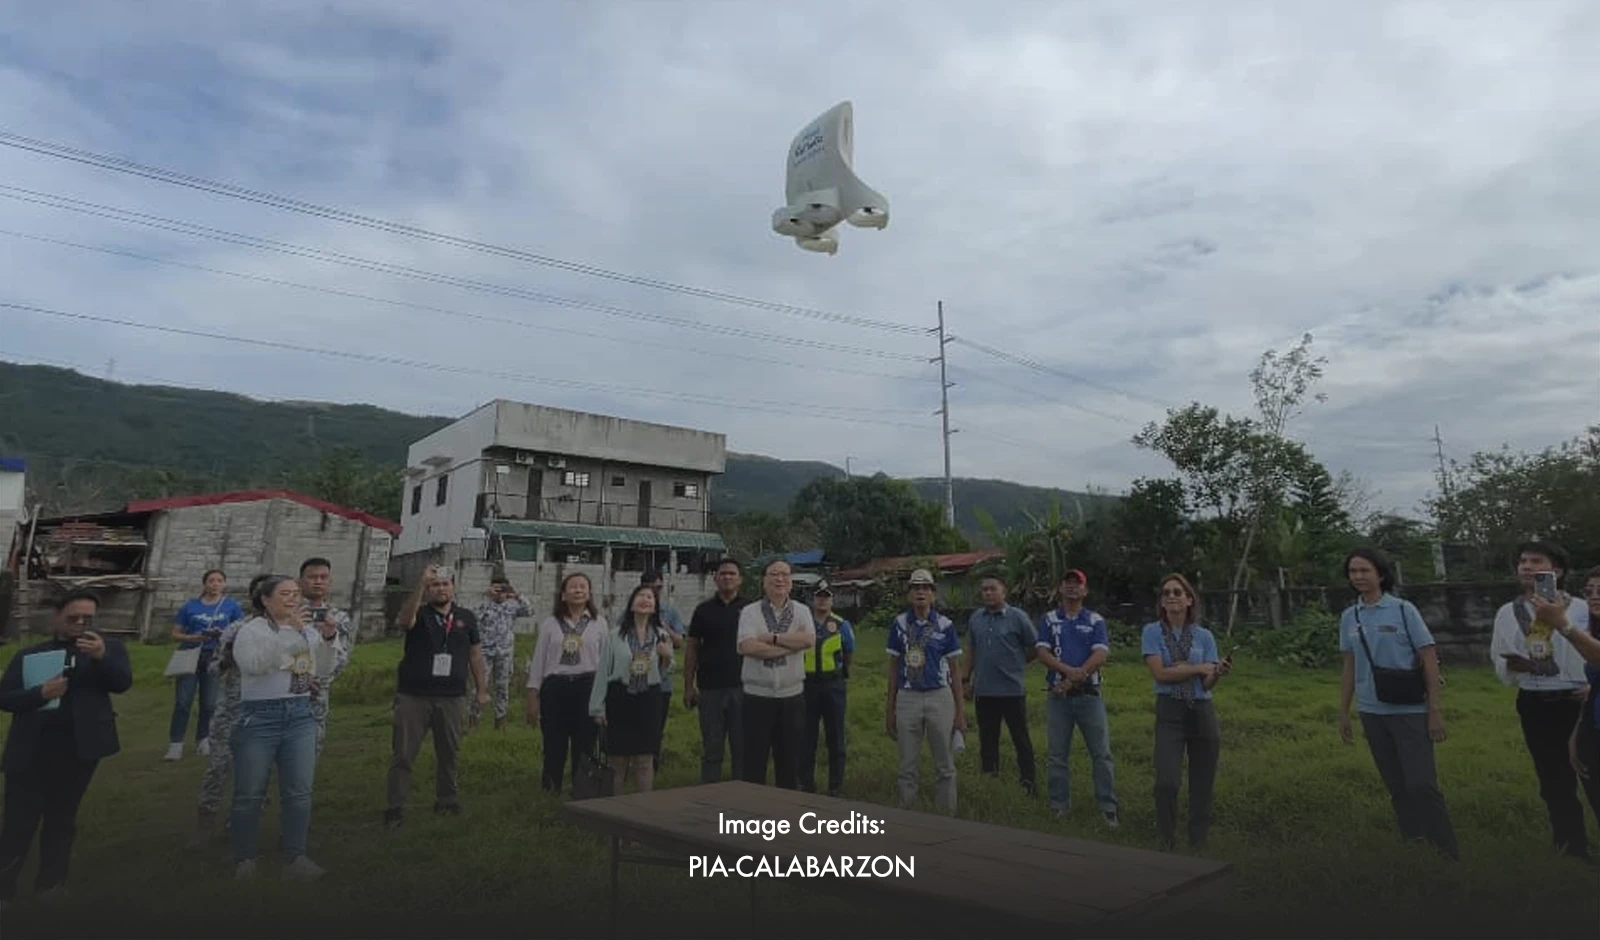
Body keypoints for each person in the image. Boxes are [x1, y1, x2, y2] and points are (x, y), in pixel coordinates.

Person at [0, 590, 132, 904]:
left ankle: (51, 883)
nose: (81, 624)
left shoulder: (109, 649)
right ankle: (4, 887)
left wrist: (101, 657)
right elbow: (5, 697)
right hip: (32, 748)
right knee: (19, 820)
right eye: (74, 617)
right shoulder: (31, 655)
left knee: (62, 818)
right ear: (58, 616)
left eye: (88, 618)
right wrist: (40, 694)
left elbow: (121, 682)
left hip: (80, 748)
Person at [1336, 548, 1459, 859]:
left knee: (1422, 784)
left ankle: (1446, 849)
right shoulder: (1350, 616)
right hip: (1371, 711)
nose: (1359, 577)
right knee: (1396, 784)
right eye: (1353, 571)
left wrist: (1434, 711)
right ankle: (1414, 841)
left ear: (1380, 574)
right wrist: (1344, 712)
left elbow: (1429, 658)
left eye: (1365, 570)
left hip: (1409, 711)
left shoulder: (1404, 610)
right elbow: (1349, 665)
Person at [1487, 540, 1591, 859]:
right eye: (1522, 561)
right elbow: (1497, 656)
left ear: (1557, 571)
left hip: (1580, 699)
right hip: (1535, 700)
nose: (1527, 567)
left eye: (1536, 561)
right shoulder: (1509, 612)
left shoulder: (1582, 608)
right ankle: (1572, 848)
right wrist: (1514, 665)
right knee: (1553, 780)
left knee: (1593, 773)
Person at [228, 574, 327, 880]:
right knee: (249, 793)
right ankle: (244, 858)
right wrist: (289, 635)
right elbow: (255, 666)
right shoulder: (251, 631)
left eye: (296, 593)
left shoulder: (307, 631)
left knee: (299, 791)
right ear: (265, 600)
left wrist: (329, 639)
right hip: (260, 717)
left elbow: (322, 667)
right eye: (284, 594)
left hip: (298, 714)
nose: (293, 599)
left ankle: (295, 857)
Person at [384, 564, 489, 828]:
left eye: (445, 584)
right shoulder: (419, 613)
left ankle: (447, 799)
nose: (440, 589)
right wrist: (420, 584)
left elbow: (475, 655)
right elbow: (404, 622)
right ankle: (395, 806)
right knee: (404, 754)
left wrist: (482, 689)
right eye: (435, 585)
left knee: (449, 752)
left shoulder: (466, 617)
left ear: (453, 587)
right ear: (428, 589)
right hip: (414, 696)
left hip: (452, 696)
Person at [1141, 573, 1229, 851]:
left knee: (1203, 779)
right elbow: (1160, 674)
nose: (1171, 596)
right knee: (1166, 780)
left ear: (1189, 600)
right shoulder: (1152, 632)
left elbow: (1207, 681)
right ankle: (1167, 837)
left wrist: (1215, 671)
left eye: (1178, 592)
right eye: (1166, 592)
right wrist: (1198, 668)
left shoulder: (1204, 635)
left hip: (1202, 708)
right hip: (1170, 710)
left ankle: (1198, 839)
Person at [1035, 569, 1119, 826]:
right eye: (1067, 583)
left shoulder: (1095, 620)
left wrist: (1072, 679)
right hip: (1058, 697)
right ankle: (1059, 805)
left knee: (1101, 753)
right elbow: (1042, 652)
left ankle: (1108, 808)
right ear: (1060, 589)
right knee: (1057, 754)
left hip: (1088, 694)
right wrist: (1066, 672)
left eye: (1077, 584)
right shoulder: (1049, 619)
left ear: (1085, 590)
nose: (1072, 588)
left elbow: (1101, 654)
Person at [885, 568, 966, 813]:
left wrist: (960, 712)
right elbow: (893, 668)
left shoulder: (945, 625)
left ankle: (946, 812)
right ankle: (907, 812)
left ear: (933, 594)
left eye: (926, 588)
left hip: (939, 696)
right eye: (916, 588)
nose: (921, 592)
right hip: (907, 696)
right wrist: (890, 709)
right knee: (907, 762)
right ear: (909, 594)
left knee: (944, 761)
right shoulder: (899, 624)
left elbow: (955, 671)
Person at [736, 560, 816, 789]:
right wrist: (792, 645)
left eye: (784, 574)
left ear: (791, 581)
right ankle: (753, 818)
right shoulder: (750, 612)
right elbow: (747, 647)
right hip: (756, 696)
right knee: (753, 762)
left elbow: (808, 640)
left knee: (789, 763)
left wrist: (771, 638)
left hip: (792, 697)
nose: (779, 579)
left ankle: (786, 818)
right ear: (764, 581)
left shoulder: (802, 611)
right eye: (774, 574)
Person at [525, 572, 607, 795]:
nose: (578, 590)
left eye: (583, 586)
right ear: (563, 595)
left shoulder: (599, 623)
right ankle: (551, 789)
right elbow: (539, 660)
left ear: (589, 593)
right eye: (573, 587)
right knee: (554, 743)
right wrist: (533, 696)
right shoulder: (551, 624)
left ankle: (582, 791)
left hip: (587, 687)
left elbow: (605, 663)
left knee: (585, 744)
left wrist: (603, 699)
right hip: (556, 688)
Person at [589, 585, 674, 794]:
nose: (645, 600)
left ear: (655, 607)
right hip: (620, 697)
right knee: (617, 759)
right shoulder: (616, 635)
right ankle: (615, 809)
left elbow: (667, 670)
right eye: (640, 596)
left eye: (650, 597)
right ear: (632, 603)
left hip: (649, 698)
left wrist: (667, 656)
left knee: (645, 759)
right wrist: (597, 707)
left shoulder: (661, 635)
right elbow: (603, 672)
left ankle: (644, 809)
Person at [964, 573, 1039, 796]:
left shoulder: (1018, 617)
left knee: (1020, 739)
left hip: (1012, 690)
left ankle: (1029, 784)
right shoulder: (976, 618)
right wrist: (965, 679)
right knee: (987, 740)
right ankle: (990, 782)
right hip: (984, 690)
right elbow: (971, 650)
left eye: (992, 589)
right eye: (984, 589)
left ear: (1004, 592)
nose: (987, 593)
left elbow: (1035, 646)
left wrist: (1018, 663)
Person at [166, 569, 245, 761]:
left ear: (224, 584)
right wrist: (192, 637)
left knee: (209, 703)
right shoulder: (190, 606)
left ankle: (204, 739)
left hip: (214, 656)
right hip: (190, 653)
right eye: (211, 580)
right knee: (183, 701)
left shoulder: (231, 606)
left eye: (219, 581)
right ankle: (176, 744)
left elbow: (240, 631)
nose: (215, 584)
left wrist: (223, 637)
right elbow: (175, 633)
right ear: (205, 584)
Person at [685, 558, 748, 783]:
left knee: (742, 747)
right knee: (712, 747)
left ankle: (743, 796)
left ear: (740, 579)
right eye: (723, 574)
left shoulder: (751, 609)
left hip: (744, 688)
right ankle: (709, 795)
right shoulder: (703, 611)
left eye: (732, 573)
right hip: (710, 689)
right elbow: (691, 647)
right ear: (715, 578)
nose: (727, 577)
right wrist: (688, 686)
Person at [800, 580, 854, 796]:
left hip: (833, 685)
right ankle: (805, 783)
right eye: (819, 596)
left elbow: (849, 652)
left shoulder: (842, 625)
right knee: (806, 737)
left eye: (826, 596)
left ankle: (835, 786)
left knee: (836, 737)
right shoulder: (802, 625)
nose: (822, 600)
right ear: (812, 599)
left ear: (832, 599)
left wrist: (841, 674)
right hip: (807, 685)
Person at [298, 557, 354, 755]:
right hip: (280, 690)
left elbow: (342, 657)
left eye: (323, 577)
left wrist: (319, 679)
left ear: (330, 582)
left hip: (317, 694)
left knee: (310, 752)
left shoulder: (339, 617)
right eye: (312, 577)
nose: (318, 581)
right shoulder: (287, 612)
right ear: (301, 581)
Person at [1565, 567, 1600, 836]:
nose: (1595, 597)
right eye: (1589, 592)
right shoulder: (1593, 633)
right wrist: (1579, 731)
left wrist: (1562, 625)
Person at [640, 570, 685, 772]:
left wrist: (663, 625)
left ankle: (652, 765)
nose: (654, 592)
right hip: (635, 678)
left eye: (658, 587)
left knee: (656, 727)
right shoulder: (631, 610)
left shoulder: (669, 611)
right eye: (649, 587)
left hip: (662, 681)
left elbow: (679, 642)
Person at [473, 576, 529, 731]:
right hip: (484, 652)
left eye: (502, 589)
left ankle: (500, 722)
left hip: (504, 653)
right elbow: (473, 619)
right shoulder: (484, 605)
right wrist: (487, 596)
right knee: (480, 686)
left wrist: (516, 594)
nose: (500, 593)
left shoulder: (512, 606)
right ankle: (474, 721)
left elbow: (529, 611)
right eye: (496, 589)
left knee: (502, 687)